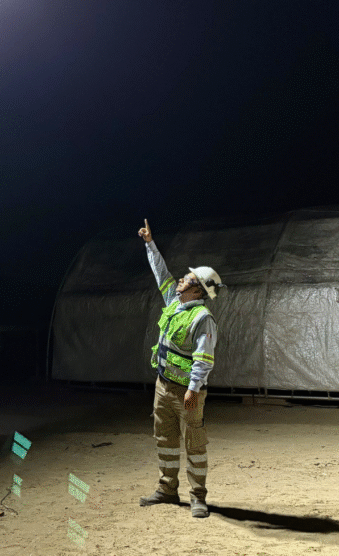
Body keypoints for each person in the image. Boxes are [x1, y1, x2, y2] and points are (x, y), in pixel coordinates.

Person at [136, 218, 223, 518]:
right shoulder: (174, 302)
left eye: (189, 279)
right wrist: (150, 243)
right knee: (165, 439)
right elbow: (161, 272)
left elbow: (203, 359)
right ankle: (167, 490)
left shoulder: (202, 319)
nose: (182, 280)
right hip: (163, 386)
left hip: (187, 393)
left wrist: (193, 390)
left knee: (194, 444)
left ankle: (198, 497)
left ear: (198, 291)